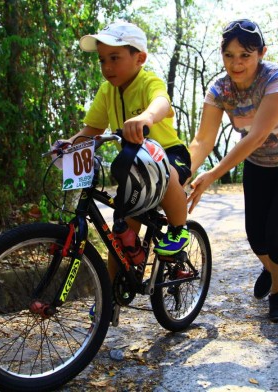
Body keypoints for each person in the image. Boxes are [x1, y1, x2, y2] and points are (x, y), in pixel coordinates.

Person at [187, 19, 278, 322]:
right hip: (259, 163)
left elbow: (259, 133)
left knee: (276, 231)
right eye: (229, 55)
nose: (236, 63)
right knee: (255, 236)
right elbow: (203, 139)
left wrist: (212, 175)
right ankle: (271, 266)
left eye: (245, 55)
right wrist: (181, 173)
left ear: (261, 53)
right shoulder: (219, 89)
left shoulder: (277, 78)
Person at [60, 21, 192, 280]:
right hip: (133, 165)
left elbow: (161, 102)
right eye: (102, 60)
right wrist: (69, 144)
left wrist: (146, 118)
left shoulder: (147, 82)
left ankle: (179, 229)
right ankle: (110, 295)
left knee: (168, 176)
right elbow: (91, 129)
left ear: (139, 58)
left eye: (115, 58)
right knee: (119, 236)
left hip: (168, 154)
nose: (107, 67)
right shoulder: (107, 91)